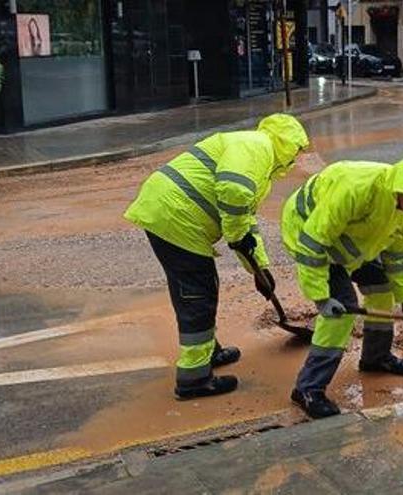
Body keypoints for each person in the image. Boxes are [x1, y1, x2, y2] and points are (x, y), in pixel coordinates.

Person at [125, 114, 309, 400]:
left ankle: (209, 351)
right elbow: (233, 191)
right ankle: (194, 378)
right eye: (297, 150)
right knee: (197, 294)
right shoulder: (257, 146)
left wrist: (258, 268)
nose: (297, 158)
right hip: (176, 213)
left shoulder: (259, 160)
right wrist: (236, 237)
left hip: (170, 210)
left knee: (200, 286)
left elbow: (245, 218)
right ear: (287, 142)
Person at [281, 155, 403, 418]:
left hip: (349, 247)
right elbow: (313, 241)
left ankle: (375, 358)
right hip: (306, 232)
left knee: (382, 286)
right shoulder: (355, 188)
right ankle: (308, 388)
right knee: (342, 310)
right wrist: (321, 298)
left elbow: (397, 260)